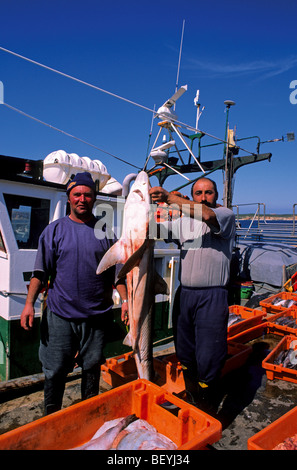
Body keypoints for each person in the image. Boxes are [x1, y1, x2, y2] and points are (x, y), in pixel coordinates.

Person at [20, 172, 128, 415]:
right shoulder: (54, 231)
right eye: (77, 194)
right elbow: (40, 273)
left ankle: (87, 418)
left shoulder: (105, 232)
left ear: (94, 198)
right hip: (60, 315)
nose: (82, 199)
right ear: (69, 197)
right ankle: (51, 418)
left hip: (96, 317)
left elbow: (116, 275)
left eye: (87, 194)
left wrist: (128, 300)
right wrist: (29, 304)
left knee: (91, 368)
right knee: (55, 370)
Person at [150, 177, 236, 412]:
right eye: (198, 193)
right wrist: (147, 206)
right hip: (184, 294)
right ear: (192, 195)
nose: (204, 196)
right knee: (185, 352)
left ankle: (206, 408)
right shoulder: (184, 222)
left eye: (209, 192)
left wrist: (169, 198)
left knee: (209, 355)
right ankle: (191, 395)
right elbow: (154, 230)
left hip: (212, 296)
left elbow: (207, 215)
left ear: (216, 195)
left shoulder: (225, 215)